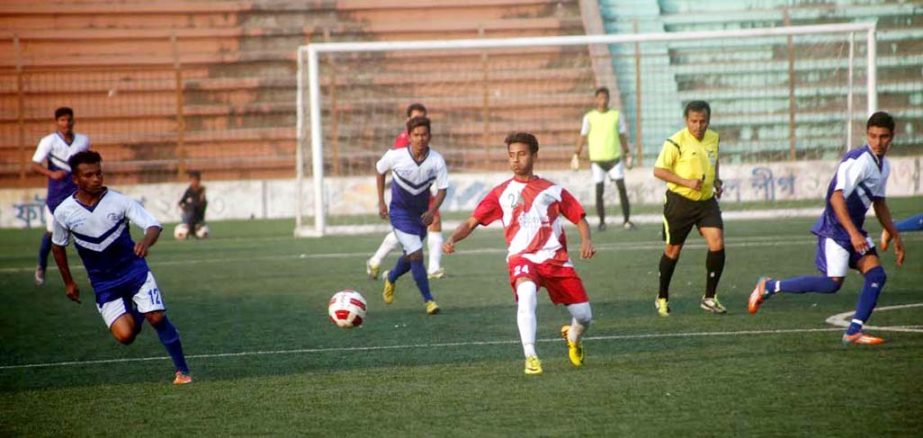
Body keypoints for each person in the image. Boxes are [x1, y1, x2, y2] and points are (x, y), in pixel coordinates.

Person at [444, 132, 596, 375]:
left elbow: (579, 217)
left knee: (585, 316)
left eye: (522, 154)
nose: (516, 160)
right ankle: (531, 355)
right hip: (522, 258)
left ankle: (573, 336)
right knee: (526, 294)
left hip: (555, 259)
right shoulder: (501, 193)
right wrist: (452, 238)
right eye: (511, 155)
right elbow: (472, 221)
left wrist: (586, 240)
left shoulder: (552, 190)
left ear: (535, 156)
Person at [750, 112, 907, 345]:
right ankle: (770, 286)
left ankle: (854, 330)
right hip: (835, 229)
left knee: (877, 275)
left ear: (892, 137)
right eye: (873, 136)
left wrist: (894, 234)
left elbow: (879, 202)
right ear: (867, 135)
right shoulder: (859, 161)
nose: (878, 142)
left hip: (853, 231)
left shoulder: (883, 166)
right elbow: (836, 197)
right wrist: (853, 234)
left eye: (883, 137)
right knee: (832, 284)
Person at [50, 150, 192, 384]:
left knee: (156, 317)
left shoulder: (119, 201)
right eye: (88, 175)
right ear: (75, 179)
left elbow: (153, 225)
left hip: (134, 271)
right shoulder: (64, 212)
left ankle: (182, 372)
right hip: (104, 283)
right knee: (126, 336)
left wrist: (145, 242)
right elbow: (58, 247)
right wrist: (69, 282)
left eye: (99, 173)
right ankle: (138, 310)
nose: (96, 178)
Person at [652, 100, 726, 316]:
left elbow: (714, 160)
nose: (698, 126)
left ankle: (709, 298)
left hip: (705, 202)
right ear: (686, 121)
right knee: (673, 251)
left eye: (703, 121)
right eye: (694, 121)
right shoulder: (675, 142)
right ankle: (662, 296)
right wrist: (686, 182)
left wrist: (717, 181)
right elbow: (659, 171)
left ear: (708, 120)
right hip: (680, 202)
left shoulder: (714, 137)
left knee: (717, 242)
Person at [375, 116, 448, 315]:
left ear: (429, 136)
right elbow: (379, 170)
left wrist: (432, 211)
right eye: (416, 135)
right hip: (399, 213)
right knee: (416, 253)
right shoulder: (396, 156)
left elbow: (442, 189)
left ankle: (391, 276)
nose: (420, 139)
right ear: (409, 137)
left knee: (410, 257)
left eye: (424, 134)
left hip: (421, 216)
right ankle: (429, 300)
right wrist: (381, 201)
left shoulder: (436, 160)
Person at [367, 103, 446, 280]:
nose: (418, 121)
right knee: (415, 229)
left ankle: (376, 260)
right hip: (409, 192)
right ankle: (432, 268)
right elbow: (392, 165)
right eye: (414, 117)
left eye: (422, 117)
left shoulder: (422, 140)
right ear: (407, 120)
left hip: (424, 188)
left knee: (417, 228)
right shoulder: (405, 140)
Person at [30, 107, 90, 286]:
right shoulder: (49, 141)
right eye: (62, 120)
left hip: (76, 192)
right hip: (56, 193)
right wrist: (51, 173)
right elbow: (34, 164)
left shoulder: (83, 140)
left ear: (74, 121)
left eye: (69, 120)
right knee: (51, 233)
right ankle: (41, 266)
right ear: (57, 122)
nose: (66, 123)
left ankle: (92, 269)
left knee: (85, 231)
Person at [572, 87, 634, 231]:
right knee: (599, 191)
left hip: (615, 160)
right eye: (600, 98)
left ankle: (627, 220)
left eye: (605, 97)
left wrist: (627, 153)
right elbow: (583, 136)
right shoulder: (589, 117)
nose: (603, 100)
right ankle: (601, 222)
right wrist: (576, 154)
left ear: (609, 99)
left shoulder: (616, 115)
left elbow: (622, 136)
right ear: (596, 99)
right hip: (597, 161)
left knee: (622, 189)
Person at [177, 170, 208, 239]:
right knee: (191, 208)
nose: (194, 182)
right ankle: (189, 229)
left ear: (199, 181)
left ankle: (196, 228)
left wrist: (202, 195)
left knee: (195, 206)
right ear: (190, 180)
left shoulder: (201, 190)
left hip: (198, 215)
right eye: (192, 180)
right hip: (189, 215)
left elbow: (203, 203)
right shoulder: (189, 190)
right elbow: (181, 202)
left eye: (196, 180)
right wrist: (185, 209)